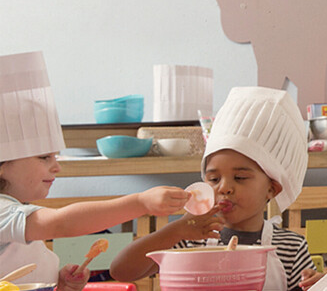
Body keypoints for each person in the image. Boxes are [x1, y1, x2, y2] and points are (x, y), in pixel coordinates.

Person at [0, 51, 189, 290]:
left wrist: (61, 283)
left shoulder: (16, 213)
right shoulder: (3, 212)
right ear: (2, 166)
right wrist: (141, 202)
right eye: (43, 157)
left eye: (55, 157)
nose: (56, 166)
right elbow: (60, 223)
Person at [110, 87, 322, 291]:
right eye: (213, 178)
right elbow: (120, 270)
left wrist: (317, 285)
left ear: (272, 189)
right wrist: (177, 229)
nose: (224, 188)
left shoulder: (290, 248)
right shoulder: (189, 240)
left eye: (240, 177)